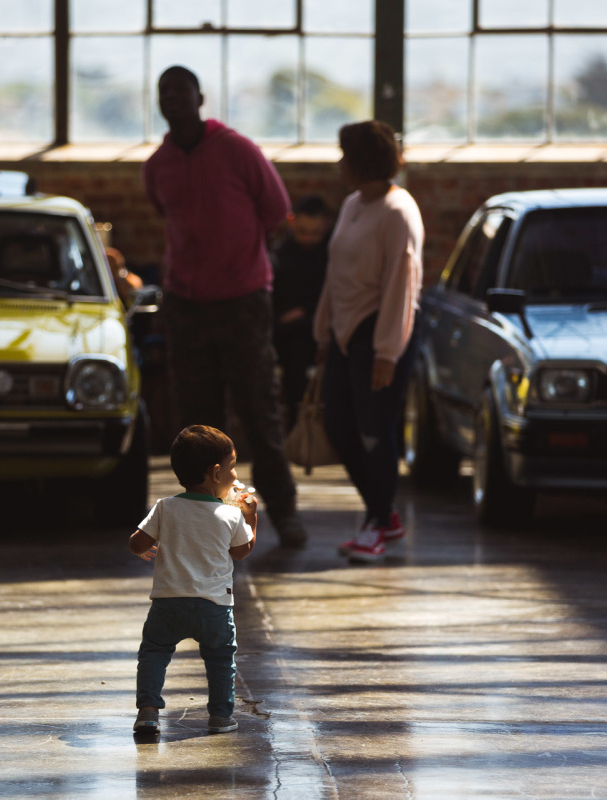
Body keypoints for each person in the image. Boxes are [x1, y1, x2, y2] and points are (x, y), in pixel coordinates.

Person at [142, 65, 307, 549]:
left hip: (243, 302)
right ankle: (208, 525)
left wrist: (237, 261)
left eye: (181, 89)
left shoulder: (237, 150)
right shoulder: (158, 165)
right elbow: (163, 211)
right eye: (164, 91)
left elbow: (277, 211)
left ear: (200, 97)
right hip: (186, 306)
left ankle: (286, 513)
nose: (172, 97)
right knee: (198, 424)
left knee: (259, 411)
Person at [314, 120, 423, 564]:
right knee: (337, 425)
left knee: (375, 432)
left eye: (345, 156)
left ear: (362, 161)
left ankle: (378, 524)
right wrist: (323, 330)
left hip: (379, 335)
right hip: (345, 335)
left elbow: (402, 284)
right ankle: (385, 515)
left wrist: (386, 352)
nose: (339, 164)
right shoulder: (352, 204)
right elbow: (335, 272)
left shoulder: (398, 211)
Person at [129, 424, 256, 735]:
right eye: (232, 467)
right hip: (214, 606)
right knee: (220, 659)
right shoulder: (231, 515)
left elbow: (136, 544)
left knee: (154, 653)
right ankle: (221, 716)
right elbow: (242, 552)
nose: (236, 476)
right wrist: (251, 516)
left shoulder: (165, 507)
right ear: (215, 474)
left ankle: (148, 711)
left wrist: (150, 546)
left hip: (168, 605)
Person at [271, 194, 332, 431]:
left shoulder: (331, 252)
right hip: (291, 333)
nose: (308, 238)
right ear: (292, 222)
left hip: (319, 325)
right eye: (303, 232)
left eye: (314, 233)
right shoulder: (281, 253)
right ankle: (298, 428)